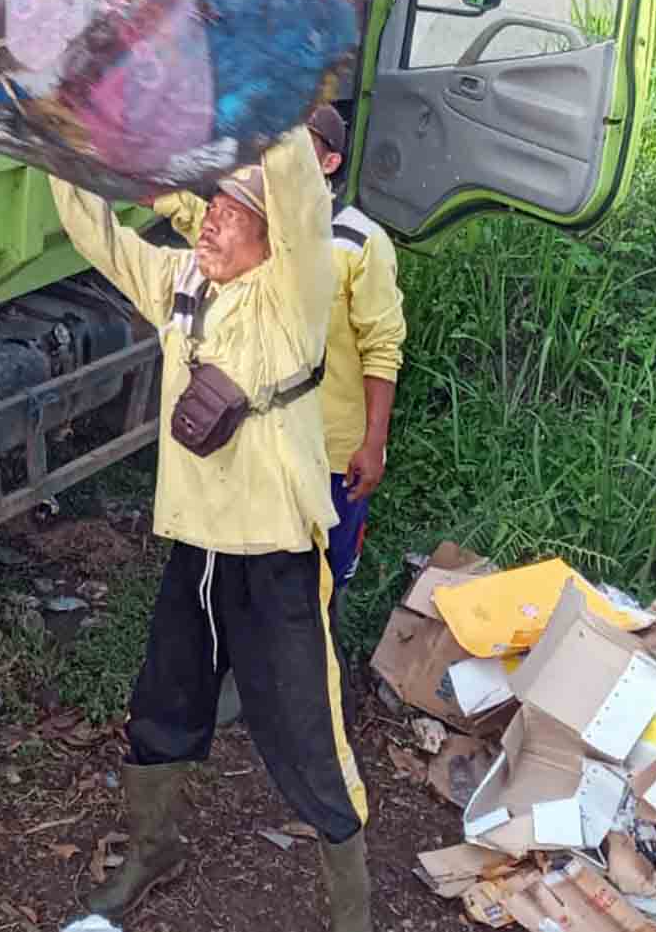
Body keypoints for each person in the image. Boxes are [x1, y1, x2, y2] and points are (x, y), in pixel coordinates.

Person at [49, 135, 372, 932]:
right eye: (212, 206)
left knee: (307, 734)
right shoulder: (181, 280)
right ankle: (155, 849)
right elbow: (99, 234)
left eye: (235, 214)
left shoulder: (294, 292)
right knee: (162, 702)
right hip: (198, 546)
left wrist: (278, 97)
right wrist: (60, 145)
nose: (214, 223)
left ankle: (353, 912)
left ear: (273, 237)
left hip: (276, 555)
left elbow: (296, 188)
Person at [154, 106, 406, 597]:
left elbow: (381, 347)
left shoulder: (361, 242)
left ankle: (319, 657)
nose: (274, 155)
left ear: (328, 164)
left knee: (321, 578)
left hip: (328, 451)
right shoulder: (250, 224)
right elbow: (189, 212)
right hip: (258, 444)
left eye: (292, 144)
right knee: (250, 571)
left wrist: (373, 442)